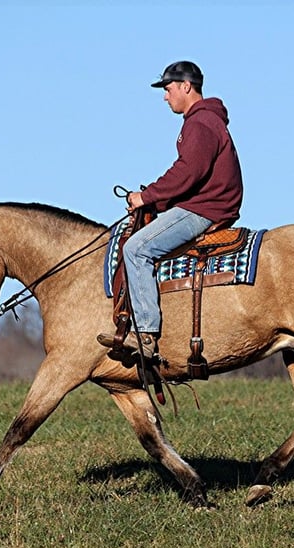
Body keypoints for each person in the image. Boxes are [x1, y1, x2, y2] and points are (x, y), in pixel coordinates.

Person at [98, 60, 244, 359]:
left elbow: (188, 172)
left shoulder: (200, 123)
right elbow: (191, 176)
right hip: (208, 202)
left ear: (186, 87)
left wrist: (147, 196)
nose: (166, 97)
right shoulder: (205, 121)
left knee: (137, 248)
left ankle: (146, 337)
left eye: (168, 89)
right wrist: (155, 200)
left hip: (205, 208)